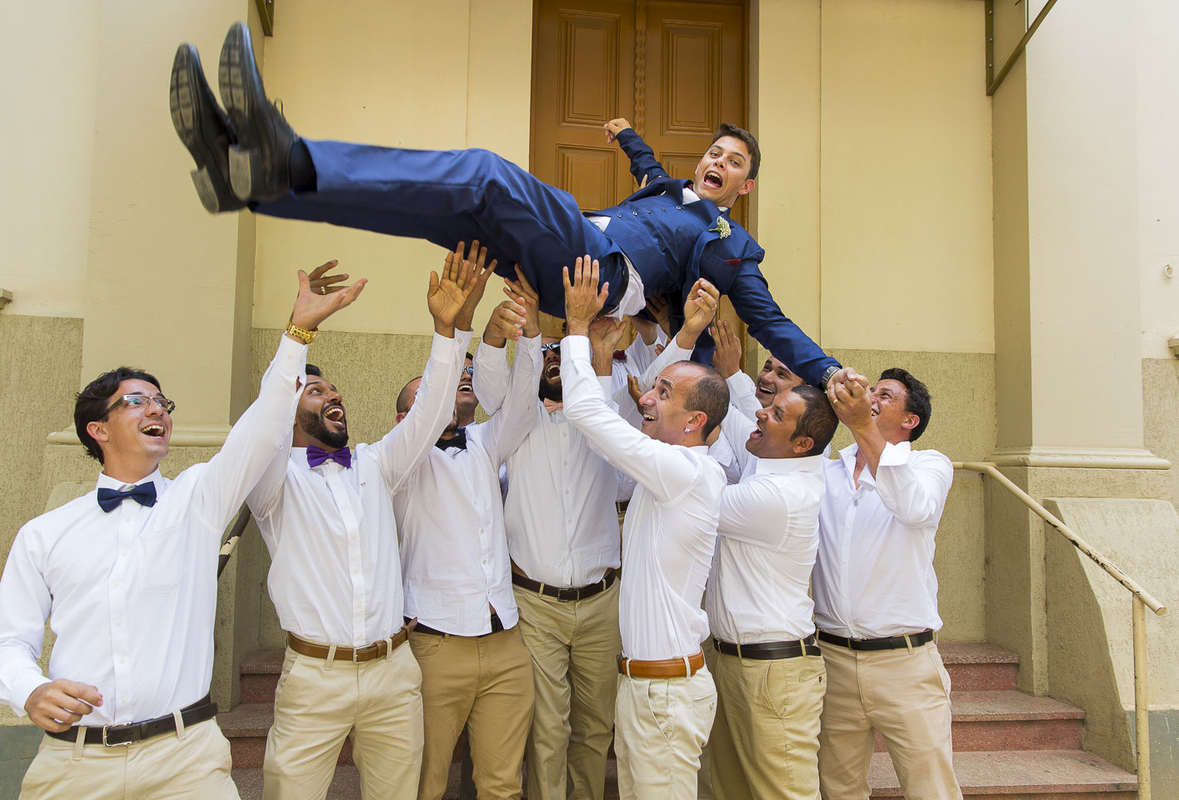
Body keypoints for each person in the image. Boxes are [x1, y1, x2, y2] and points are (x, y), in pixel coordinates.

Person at [169, 23, 841, 387]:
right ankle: (253, 185)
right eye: (715, 153)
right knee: (444, 212)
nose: (719, 163)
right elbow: (648, 169)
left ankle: (290, 157)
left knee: (488, 175)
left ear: (746, 186)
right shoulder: (668, 188)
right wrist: (627, 136)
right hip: (562, 251)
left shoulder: (730, 242)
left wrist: (830, 370)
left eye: (735, 162)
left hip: (600, 270)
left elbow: (771, 321)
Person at [0, 265, 364, 799]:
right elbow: (2, 643)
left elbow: (261, 429)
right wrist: (30, 690)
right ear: (98, 428)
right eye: (137, 401)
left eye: (162, 402)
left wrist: (297, 335)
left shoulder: (197, 501)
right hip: (75, 763)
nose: (157, 408)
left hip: (187, 761)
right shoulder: (44, 534)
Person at [242, 248, 485, 800]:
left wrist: (446, 332)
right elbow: (264, 420)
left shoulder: (376, 464)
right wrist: (299, 332)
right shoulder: (272, 481)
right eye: (315, 390)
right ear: (288, 409)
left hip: (394, 671)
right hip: (314, 676)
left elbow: (431, 413)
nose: (333, 394)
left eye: (334, 390)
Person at [560, 256, 727, 800]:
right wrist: (686, 336)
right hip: (646, 687)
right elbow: (622, 427)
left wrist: (577, 327)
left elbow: (587, 414)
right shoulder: (668, 469)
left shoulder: (685, 472)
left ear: (695, 422)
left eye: (662, 394)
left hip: (667, 694)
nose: (645, 399)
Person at [392, 271, 542, 800]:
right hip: (437, 643)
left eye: (465, 376)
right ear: (405, 416)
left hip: (505, 640)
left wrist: (530, 332)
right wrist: (456, 328)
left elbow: (522, 404)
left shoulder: (483, 442)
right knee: (424, 782)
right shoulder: (400, 462)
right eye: (430, 392)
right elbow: (430, 409)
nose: (461, 381)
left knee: (503, 785)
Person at [494, 291, 627, 800]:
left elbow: (611, 409)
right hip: (537, 604)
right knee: (547, 730)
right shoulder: (514, 428)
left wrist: (599, 355)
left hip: (601, 603)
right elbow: (494, 381)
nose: (553, 357)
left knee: (595, 727)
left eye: (560, 351)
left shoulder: (605, 427)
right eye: (545, 352)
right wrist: (528, 334)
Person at [814, 369, 961, 800]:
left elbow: (914, 508)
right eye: (871, 390)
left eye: (886, 395)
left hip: (906, 664)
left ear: (910, 420)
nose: (872, 397)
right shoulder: (827, 471)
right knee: (837, 788)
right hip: (833, 660)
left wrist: (863, 425)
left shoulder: (929, 465)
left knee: (931, 789)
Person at [704, 372, 838, 800]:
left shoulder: (780, 494)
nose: (761, 413)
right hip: (732, 661)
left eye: (777, 414)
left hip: (770, 672)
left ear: (802, 444)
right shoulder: (771, 467)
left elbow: (688, 498)